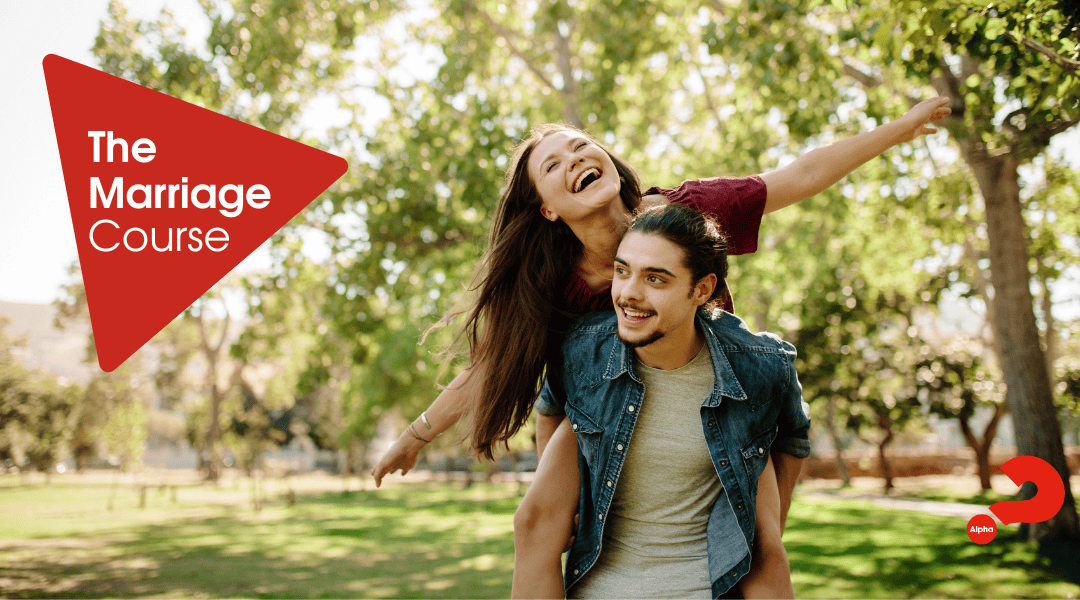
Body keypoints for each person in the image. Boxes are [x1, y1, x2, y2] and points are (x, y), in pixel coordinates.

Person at [370, 97, 952, 597]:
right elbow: (496, 369)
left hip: (709, 394)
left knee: (762, 550)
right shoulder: (555, 284)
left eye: (581, 148)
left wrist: (902, 126)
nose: (575, 161)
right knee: (539, 518)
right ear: (547, 207)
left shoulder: (684, 215)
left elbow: (796, 177)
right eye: (554, 165)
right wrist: (415, 435)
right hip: (598, 405)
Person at [536, 203, 809, 598]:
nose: (629, 293)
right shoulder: (581, 351)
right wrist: (569, 504)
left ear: (701, 289)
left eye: (655, 280)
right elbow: (552, 409)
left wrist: (763, 531)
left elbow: (793, 439)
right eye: (622, 271)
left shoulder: (762, 367)